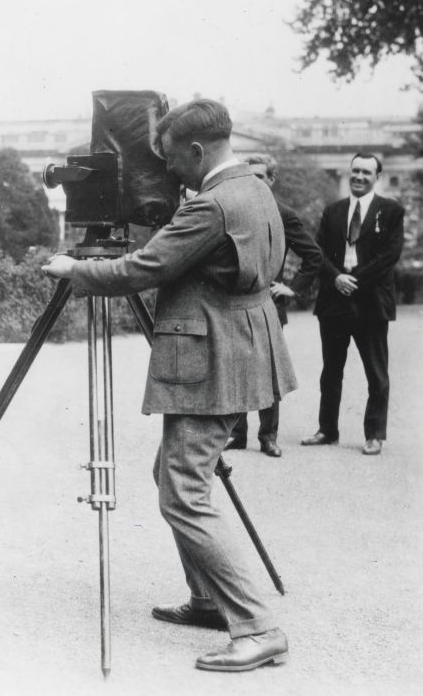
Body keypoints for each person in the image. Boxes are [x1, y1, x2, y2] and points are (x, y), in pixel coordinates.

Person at [42, 99, 293, 672]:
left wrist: (74, 270)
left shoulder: (209, 206)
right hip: (240, 348)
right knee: (175, 474)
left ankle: (256, 626)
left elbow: (141, 269)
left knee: (183, 492)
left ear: (198, 150)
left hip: (211, 358)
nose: (168, 171)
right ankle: (209, 600)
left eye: (172, 157)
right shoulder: (254, 188)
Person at [301, 152, 404, 456]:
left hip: (371, 301)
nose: (359, 177)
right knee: (331, 371)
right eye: (355, 171)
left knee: (377, 372)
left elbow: (389, 257)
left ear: (377, 178)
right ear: (349, 174)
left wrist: (353, 279)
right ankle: (327, 430)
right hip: (334, 301)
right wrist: (335, 278)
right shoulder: (333, 211)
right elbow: (317, 251)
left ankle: (374, 434)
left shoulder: (391, 211)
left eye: (366, 173)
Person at [224, 154, 322, 458]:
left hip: (268, 305)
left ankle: (268, 436)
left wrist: (291, 288)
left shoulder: (284, 214)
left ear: (272, 179)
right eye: (248, 176)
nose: (254, 182)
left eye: (261, 176)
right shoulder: (232, 210)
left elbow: (314, 257)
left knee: (267, 373)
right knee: (236, 370)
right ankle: (238, 435)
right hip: (234, 305)